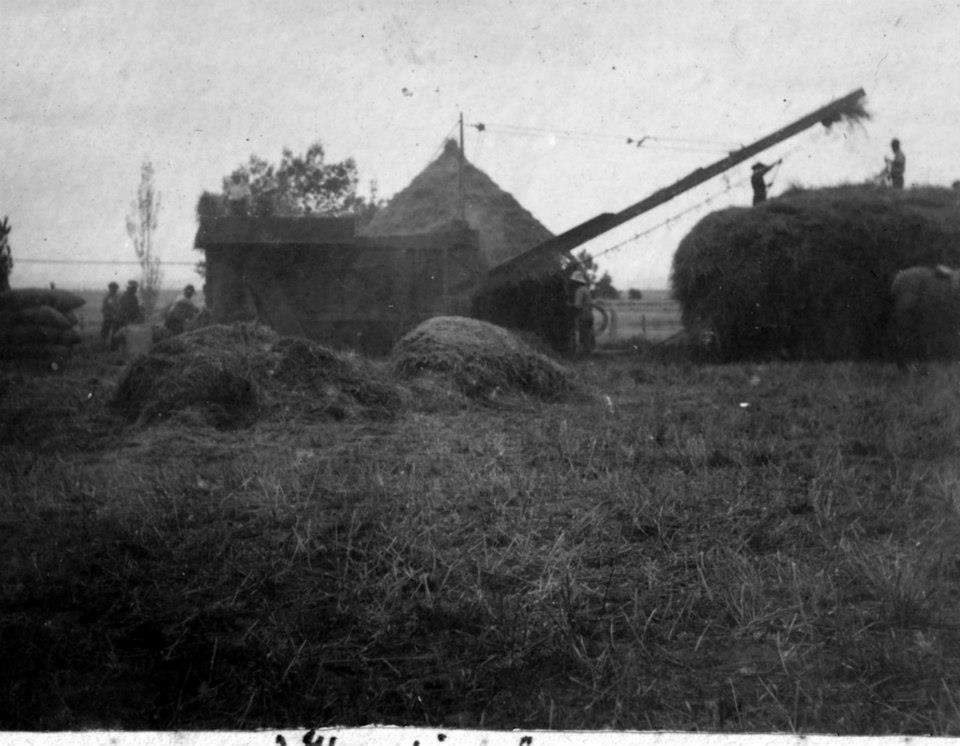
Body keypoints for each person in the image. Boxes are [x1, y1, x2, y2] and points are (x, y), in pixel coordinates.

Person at [571, 270, 595, 355]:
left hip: (583, 315)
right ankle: (589, 351)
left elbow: (577, 305)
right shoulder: (586, 290)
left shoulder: (579, 291)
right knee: (588, 334)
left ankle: (584, 354)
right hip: (590, 315)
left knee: (583, 335)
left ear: (577, 282)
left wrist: (569, 305)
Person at [100, 281, 121, 347]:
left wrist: (117, 315)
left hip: (116, 318)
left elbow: (120, 307)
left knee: (116, 333)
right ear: (110, 288)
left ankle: (114, 346)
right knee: (105, 332)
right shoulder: (107, 298)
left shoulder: (118, 297)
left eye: (116, 288)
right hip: (108, 318)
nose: (115, 290)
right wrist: (110, 314)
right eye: (113, 288)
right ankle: (103, 345)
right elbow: (104, 309)